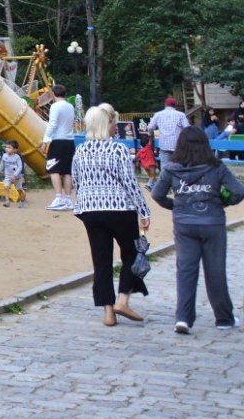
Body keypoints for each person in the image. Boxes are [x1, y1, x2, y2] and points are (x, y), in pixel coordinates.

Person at [151, 125, 244, 333]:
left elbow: (157, 194)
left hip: (184, 224)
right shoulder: (216, 166)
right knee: (216, 271)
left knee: (185, 271)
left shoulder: (172, 168)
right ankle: (224, 318)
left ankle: (183, 318)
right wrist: (222, 202)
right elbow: (238, 191)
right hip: (213, 222)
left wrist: (173, 205)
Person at [72, 103, 151, 327]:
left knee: (101, 260)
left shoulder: (80, 151)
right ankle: (123, 300)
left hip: (91, 211)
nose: (116, 125)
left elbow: (77, 182)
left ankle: (108, 311)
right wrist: (143, 210)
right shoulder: (117, 149)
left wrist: (84, 205)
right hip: (119, 208)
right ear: (106, 125)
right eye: (113, 122)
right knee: (132, 253)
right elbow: (130, 183)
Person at [42, 84, 77, 210]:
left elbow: (52, 124)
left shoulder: (55, 106)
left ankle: (59, 198)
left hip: (58, 141)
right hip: (69, 141)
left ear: (53, 94)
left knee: (53, 169)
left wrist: (45, 140)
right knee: (68, 170)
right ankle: (68, 200)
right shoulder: (70, 106)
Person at [148, 97, 191, 169]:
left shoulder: (158, 114)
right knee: (179, 167)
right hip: (178, 145)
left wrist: (150, 135)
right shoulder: (181, 115)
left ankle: (165, 179)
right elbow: (187, 128)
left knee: (164, 167)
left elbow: (150, 127)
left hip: (164, 144)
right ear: (175, 105)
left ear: (165, 104)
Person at [0, 140, 27, 207]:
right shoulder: (4, 156)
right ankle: (7, 201)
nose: (7, 149)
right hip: (8, 176)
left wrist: (15, 175)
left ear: (15, 150)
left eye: (9, 147)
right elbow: (1, 165)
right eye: (6, 147)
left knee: (19, 190)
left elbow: (20, 167)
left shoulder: (17, 157)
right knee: (6, 187)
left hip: (16, 177)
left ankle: (22, 201)